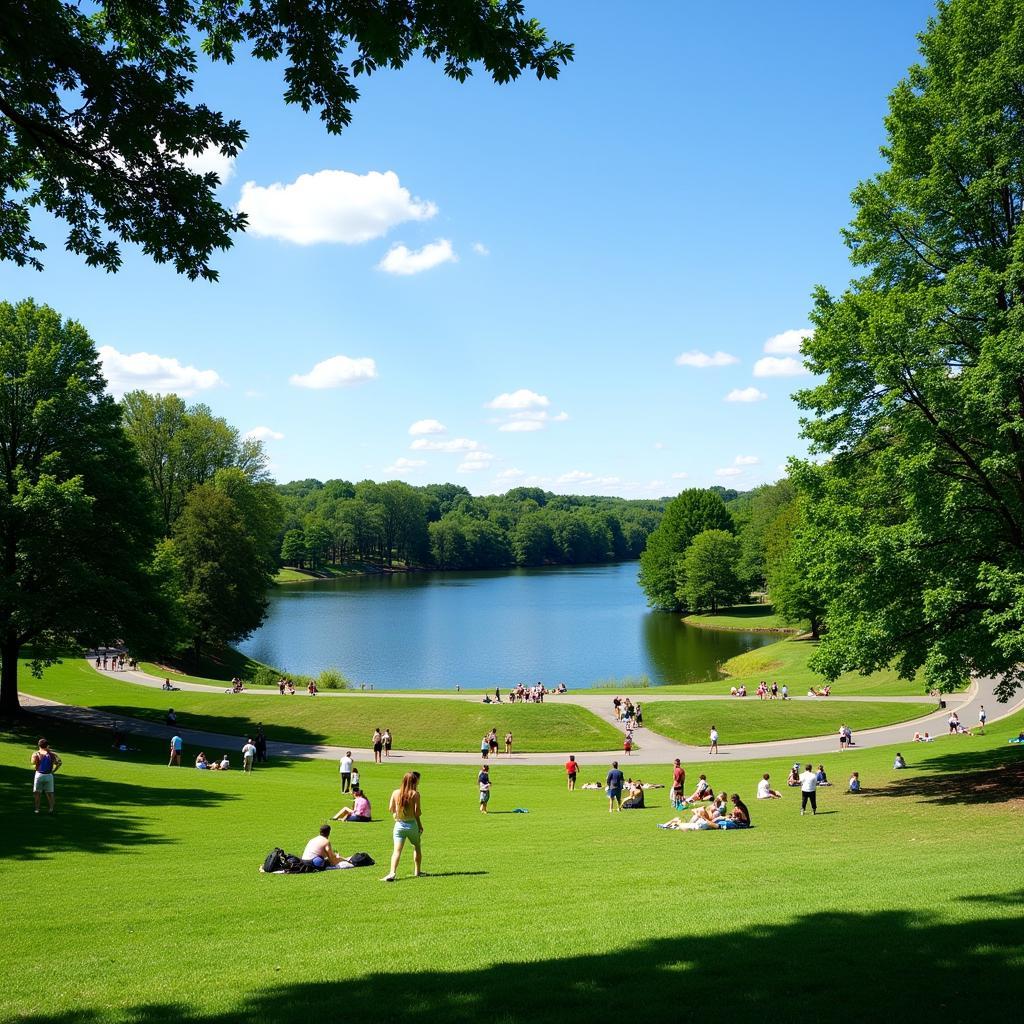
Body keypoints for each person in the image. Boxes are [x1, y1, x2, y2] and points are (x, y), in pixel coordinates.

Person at [382, 771, 423, 881]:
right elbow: (417, 812)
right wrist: (420, 825)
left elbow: (391, 808)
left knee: (397, 851)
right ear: (414, 781)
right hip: (412, 824)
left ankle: (392, 872)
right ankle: (417, 871)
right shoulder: (415, 794)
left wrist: (396, 814)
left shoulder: (395, 792)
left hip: (399, 825)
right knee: (417, 846)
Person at [31, 739, 61, 814]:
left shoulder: (36, 753)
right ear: (47, 745)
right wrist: (54, 771)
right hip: (49, 775)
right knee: (50, 793)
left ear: (39, 745)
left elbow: (33, 762)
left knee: (37, 793)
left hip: (39, 775)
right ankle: (51, 809)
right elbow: (59, 763)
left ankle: (37, 809)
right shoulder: (52, 754)